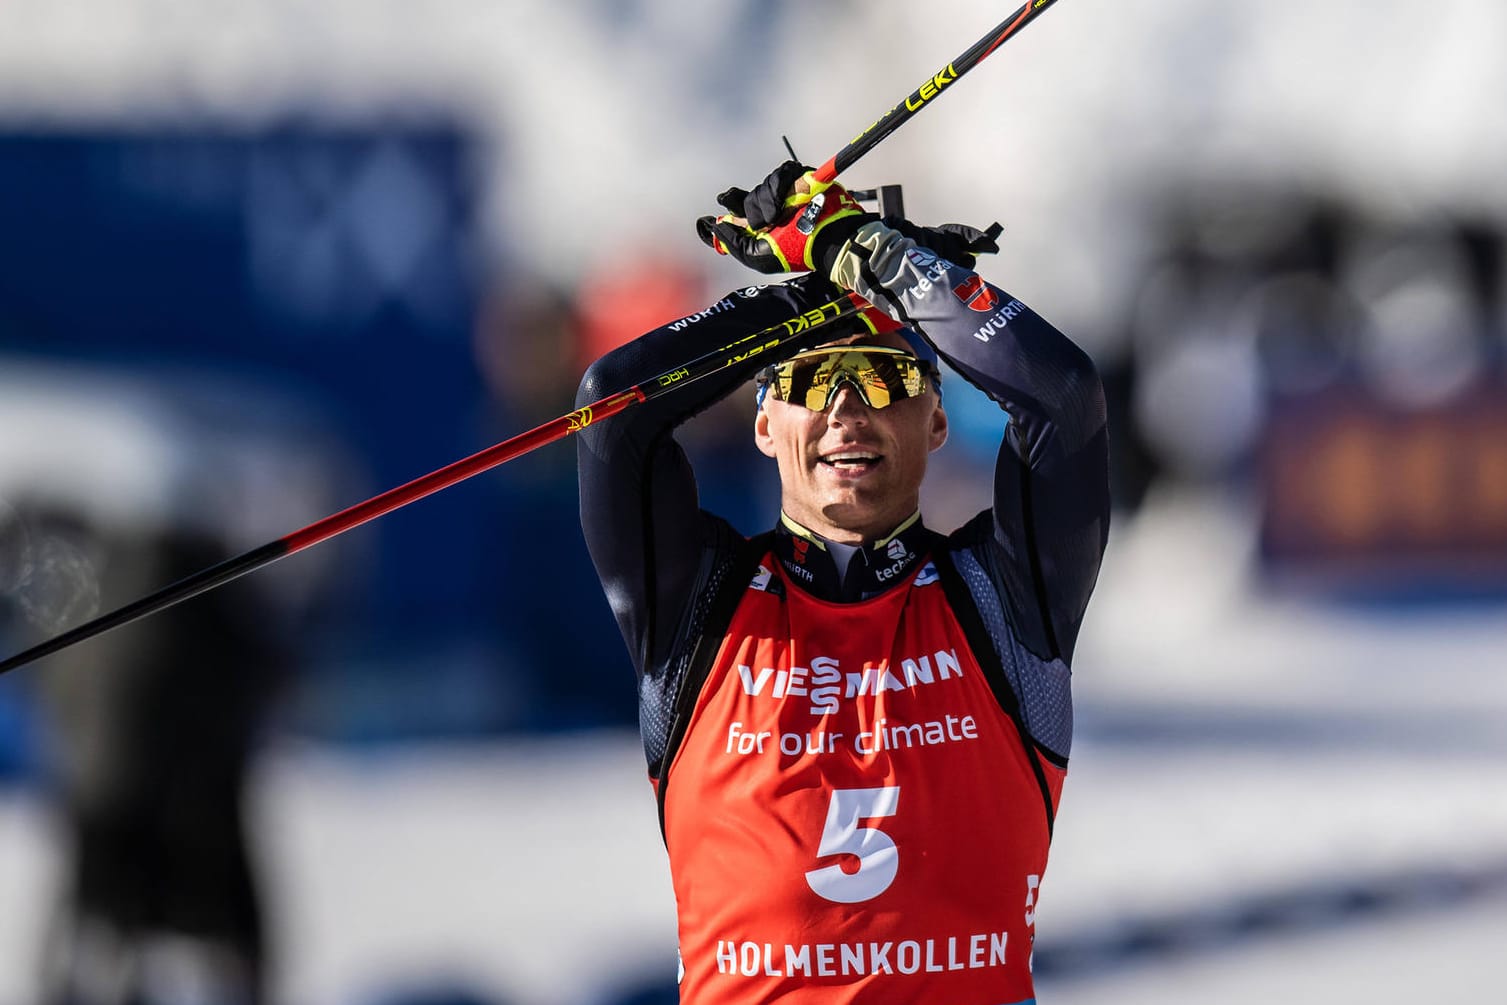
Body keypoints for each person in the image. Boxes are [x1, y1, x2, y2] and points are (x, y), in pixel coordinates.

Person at [575, 161, 1109, 1003]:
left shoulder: (1001, 596)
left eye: (886, 378)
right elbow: (614, 406)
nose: (847, 411)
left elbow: (1062, 396)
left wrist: (854, 247)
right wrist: (814, 291)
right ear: (763, 422)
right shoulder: (697, 602)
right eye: (810, 381)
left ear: (936, 420)